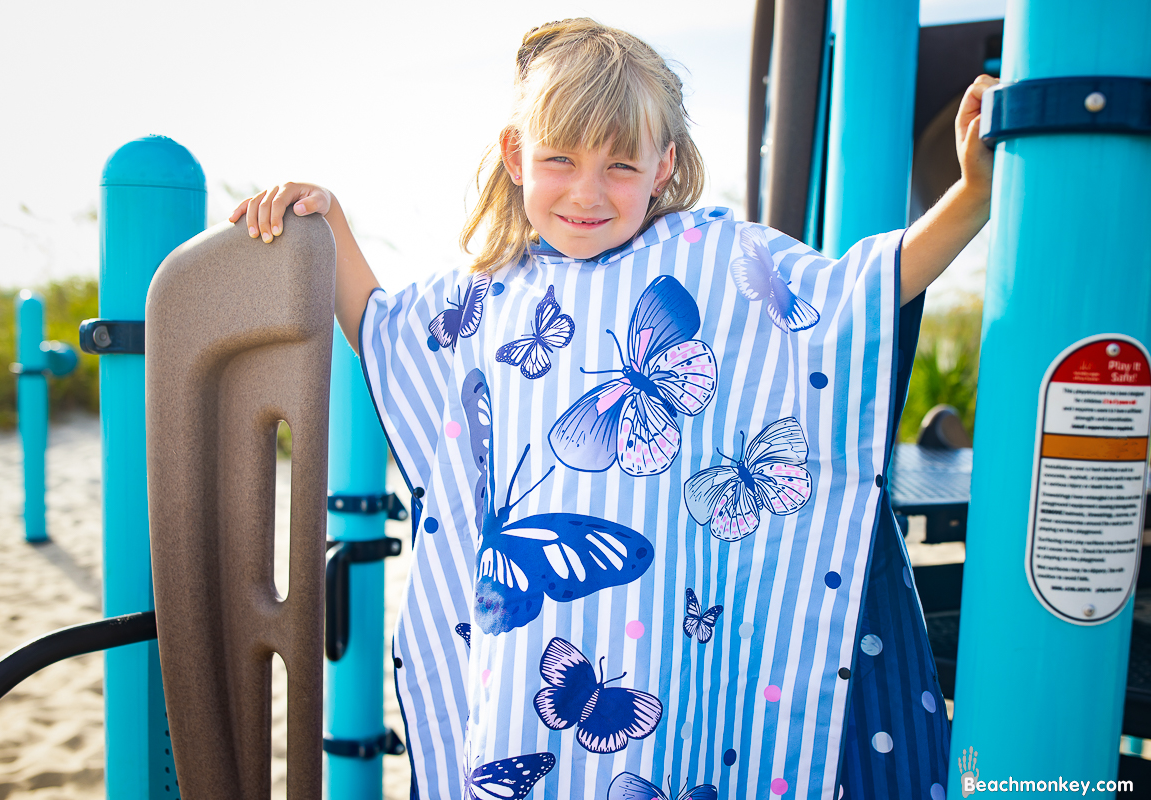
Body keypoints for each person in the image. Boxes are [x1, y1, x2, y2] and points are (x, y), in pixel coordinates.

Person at [231, 19, 996, 800]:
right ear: (514, 153)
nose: (588, 192)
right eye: (559, 159)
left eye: (621, 165)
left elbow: (856, 292)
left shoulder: (712, 258)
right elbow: (382, 326)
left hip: (668, 638)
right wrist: (326, 223)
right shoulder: (492, 293)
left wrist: (970, 199)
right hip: (530, 646)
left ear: (663, 166)